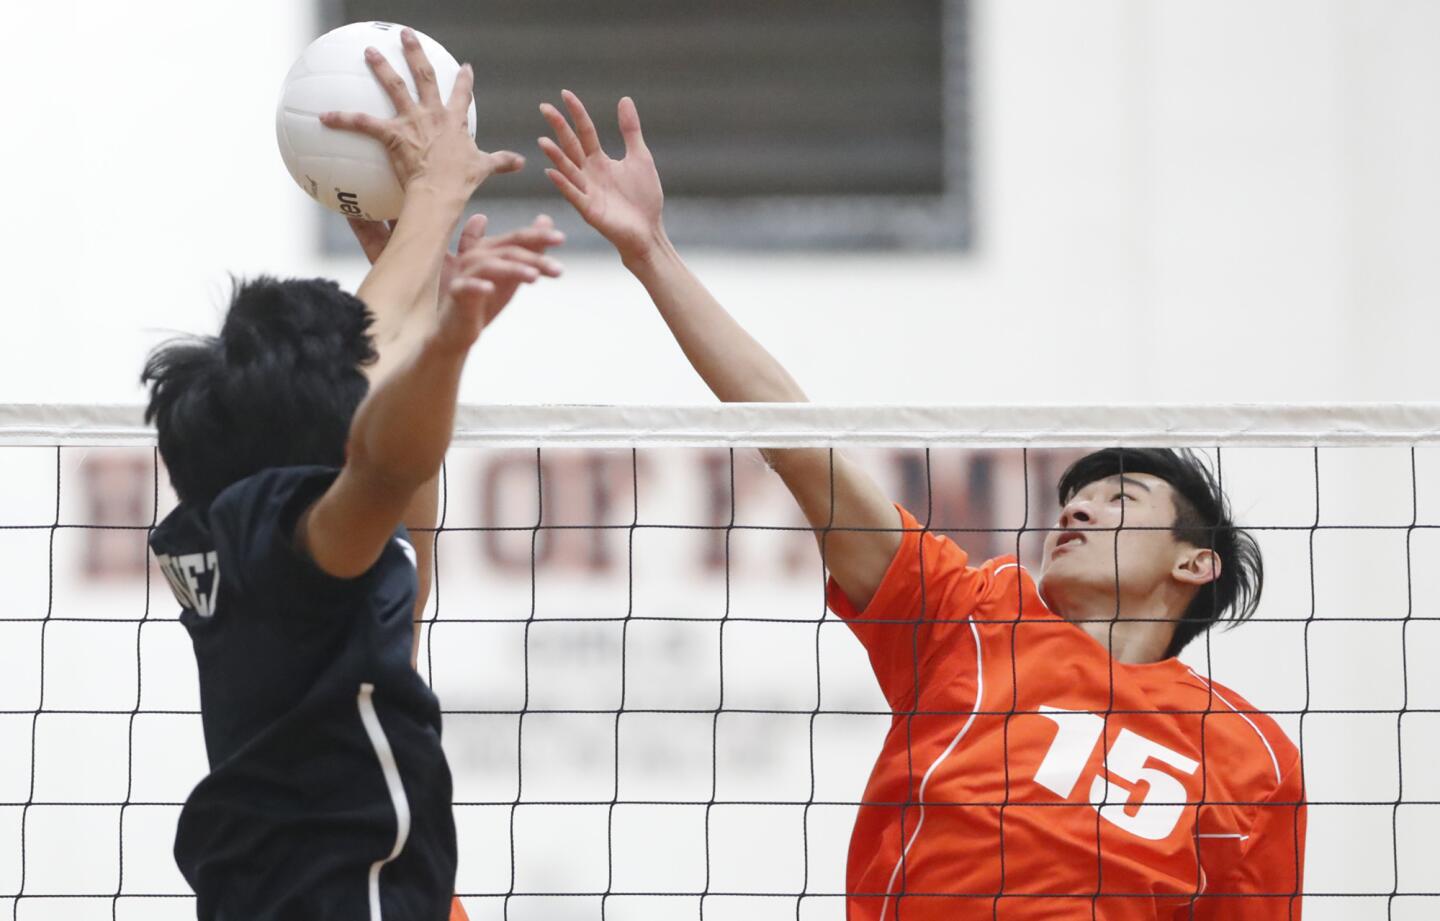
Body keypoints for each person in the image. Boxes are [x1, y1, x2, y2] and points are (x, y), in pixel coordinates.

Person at [536, 90, 1306, 920]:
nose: (1076, 513)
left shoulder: (1252, 756)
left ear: (1196, 562)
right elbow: (798, 443)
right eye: (1075, 498)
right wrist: (651, 251)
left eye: (1120, 499)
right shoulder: (971, 616)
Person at [145, 31, 545, 921]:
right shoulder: (298, 534)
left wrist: (418, 292)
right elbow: (382, 455)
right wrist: (438, 204)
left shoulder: (234, 530)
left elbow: (402, 537)